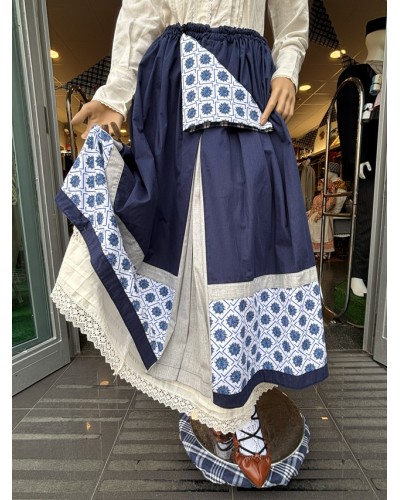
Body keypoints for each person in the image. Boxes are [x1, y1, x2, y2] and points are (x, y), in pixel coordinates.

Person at [52, 0, 328, 487]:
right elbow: (142, 9)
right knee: (191, 251)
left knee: (240, 251)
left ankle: (234, 400)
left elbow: (291, 17)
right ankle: (224, 406)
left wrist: (286, 67)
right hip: (176, 84)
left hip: (246, 80)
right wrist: (116, 92)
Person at [336, 17, 386, 297]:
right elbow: (348, 123)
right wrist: (357, 159)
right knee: (367, 217)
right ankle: (358, 273)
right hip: (369, 161)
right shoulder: (356, 75)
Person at [307, 177, 336, 259]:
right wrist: (310, 216)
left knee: (323, 231)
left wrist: (319, 215)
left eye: (320, 185)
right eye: (318, 185)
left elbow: (327, 206)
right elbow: (313, 208)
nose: (317, 186)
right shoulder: (316, 197)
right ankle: (317, 250)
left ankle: (325, 251)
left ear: (325, 186)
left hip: (324, 215)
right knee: (312, 228)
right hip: (315, 216)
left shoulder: (329, 196)